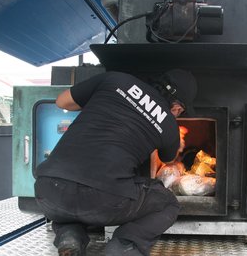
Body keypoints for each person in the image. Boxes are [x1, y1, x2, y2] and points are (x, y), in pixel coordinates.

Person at [34, 69, 197, 256]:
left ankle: (70, 236)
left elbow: (62, 101)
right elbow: (168, 158)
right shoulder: (168, 123)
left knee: (67, 198)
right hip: (103, 199)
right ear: (177, 108)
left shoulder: (115, 79)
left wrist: (103, 102)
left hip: (47, 191)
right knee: (168, 203)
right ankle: (124, 246)